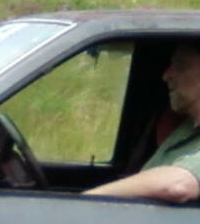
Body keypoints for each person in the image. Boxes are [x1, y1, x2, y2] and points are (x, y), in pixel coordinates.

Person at [84, 40, 200, 203]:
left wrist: (85, 201)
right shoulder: (186, 127)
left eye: (181, 65)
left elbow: (178, 185)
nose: (166, 75)